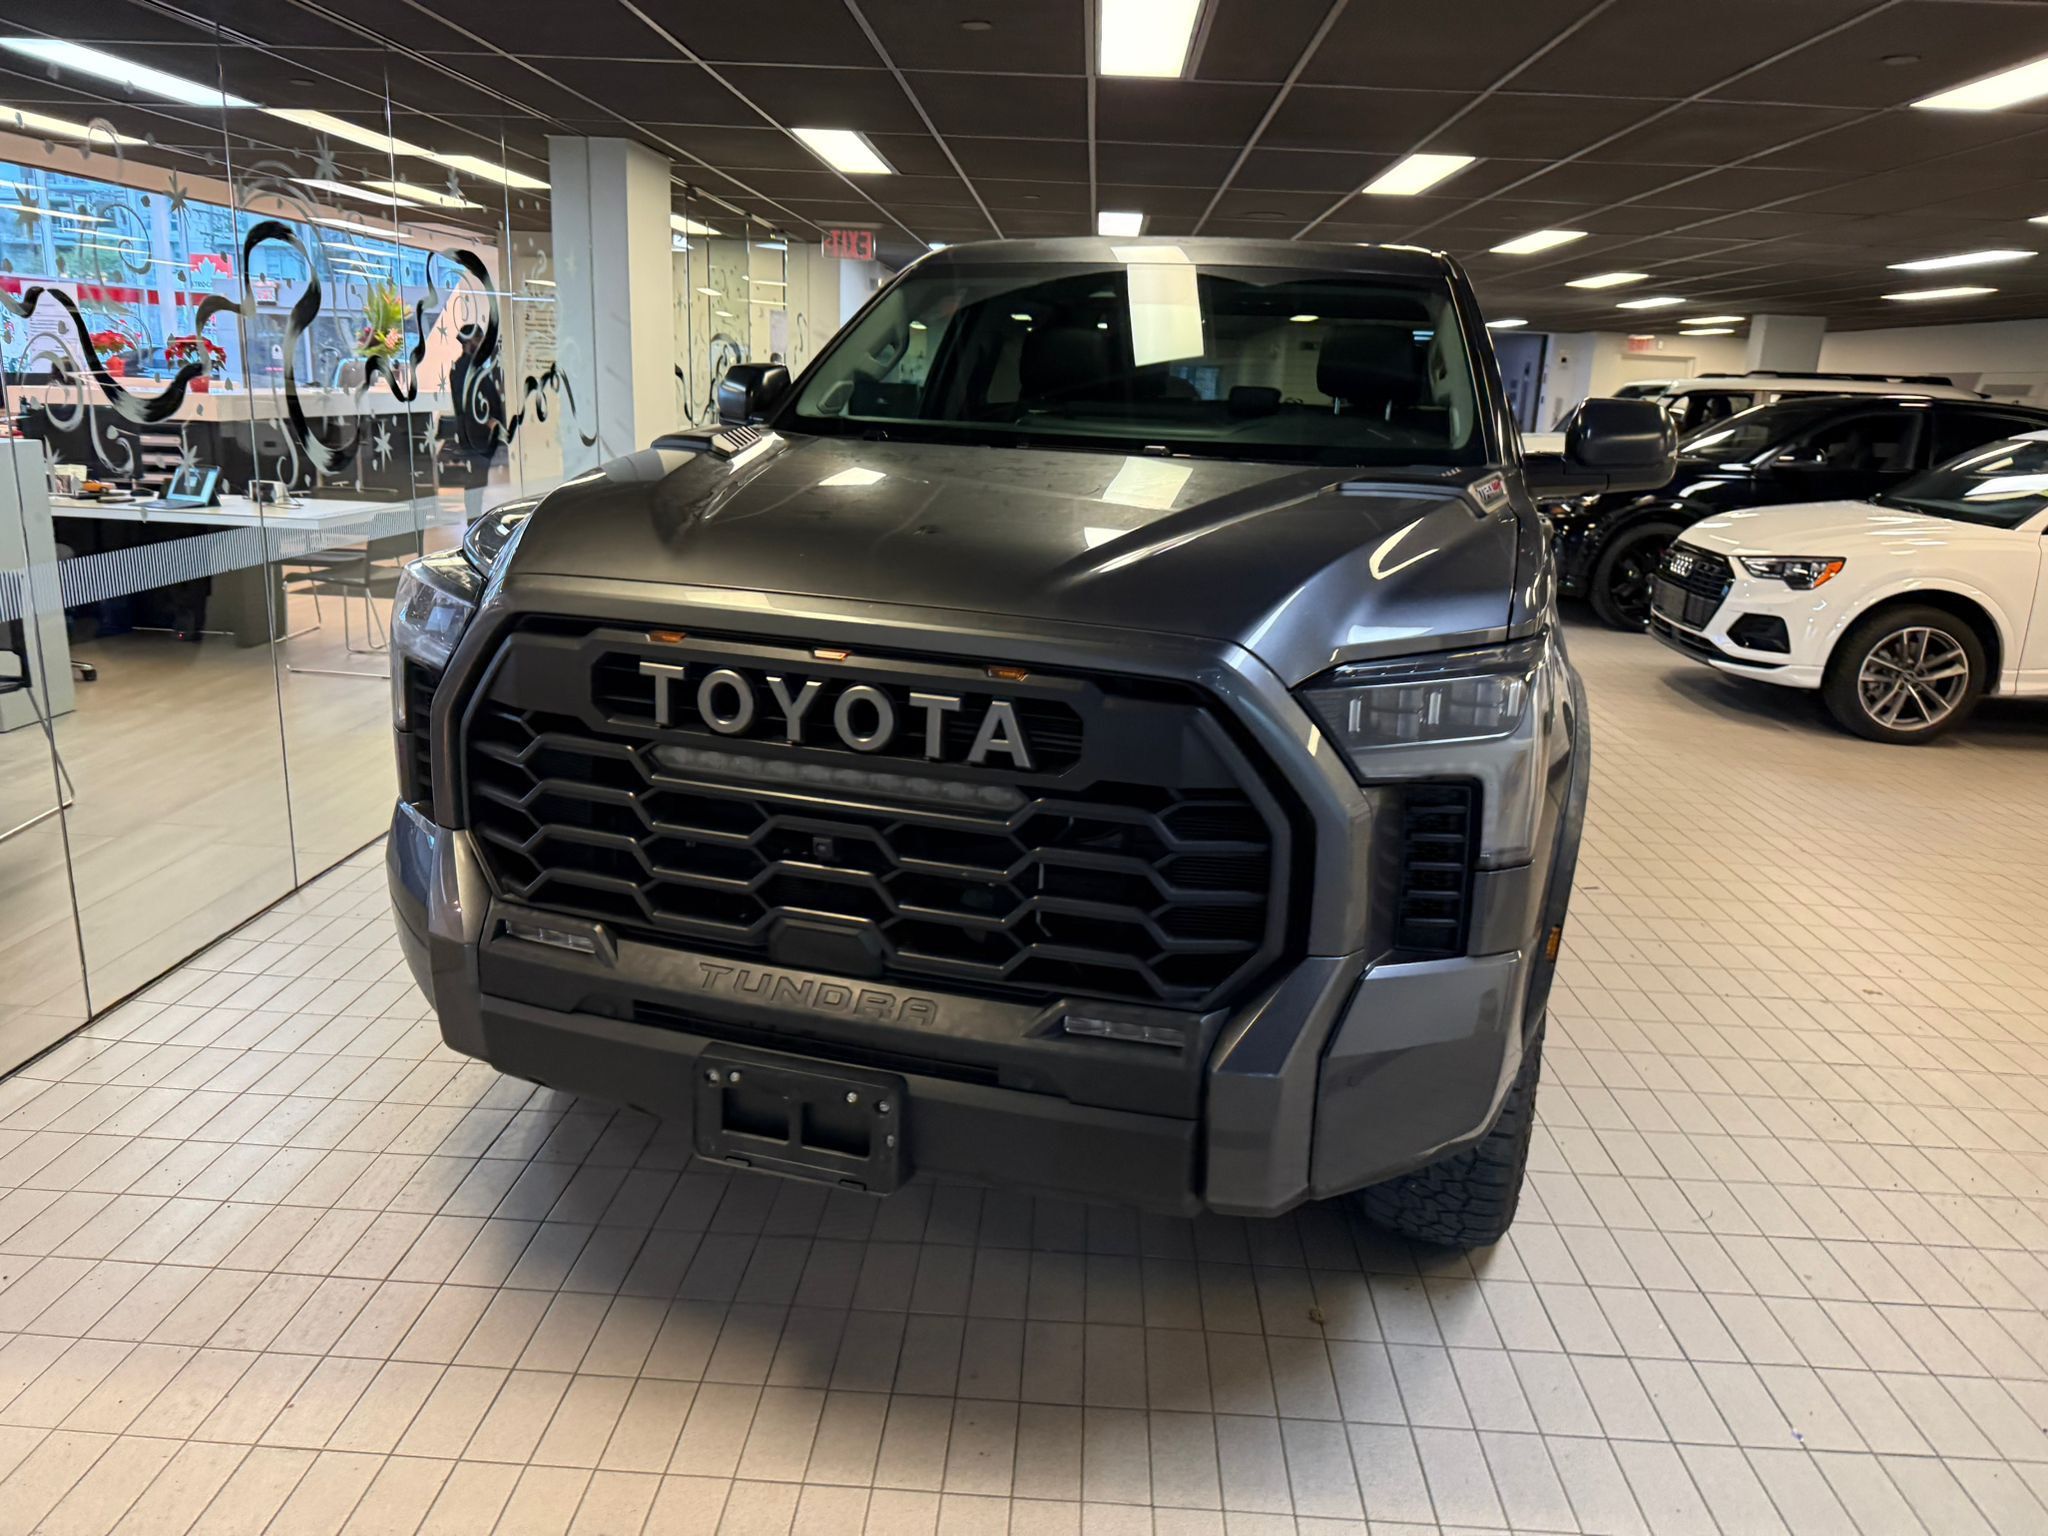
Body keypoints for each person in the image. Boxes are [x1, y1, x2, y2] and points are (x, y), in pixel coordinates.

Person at [446, 322, 506, 520]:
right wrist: (489, 422)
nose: (482, 343)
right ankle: (473, 522)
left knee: (478, 483)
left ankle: (475, 520)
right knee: (475, 483)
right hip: (475, 436)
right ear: (469, 342)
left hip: (480, 436)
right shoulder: (462, 369)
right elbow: (469, 403)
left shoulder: (474, 367)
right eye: (478, 339)